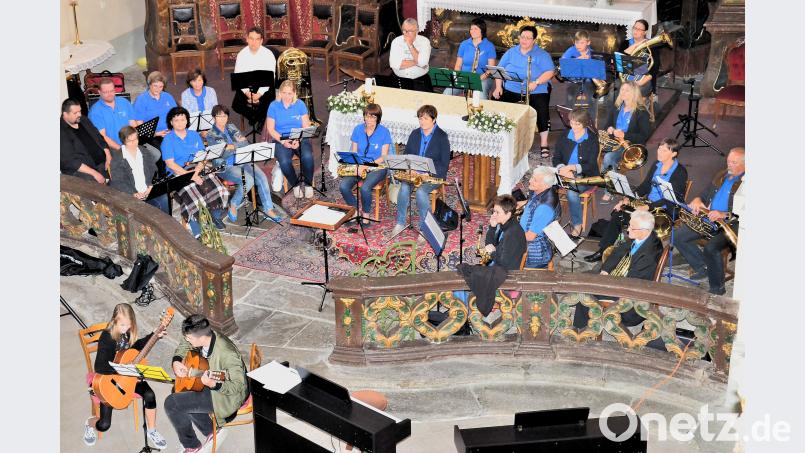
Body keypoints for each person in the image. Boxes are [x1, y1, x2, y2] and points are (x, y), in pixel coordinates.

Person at [585, 138, 688, 262]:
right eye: (659, 149)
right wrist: (627, 199)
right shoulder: (657, 165)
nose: (659, 152)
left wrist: (648, 207)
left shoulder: (680, 172)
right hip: (649, 204)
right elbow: (645, 186)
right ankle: (603, 251)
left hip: (666, 210)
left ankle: (635, 255)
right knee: (618, 213)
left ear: (674, 153)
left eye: (664, 150)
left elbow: (672, 199)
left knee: (638, 222)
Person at [82, 303, 168, 450]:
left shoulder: (127, 332)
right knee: (103, 425)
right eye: (122, 325)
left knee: (150, 395)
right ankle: (89, 423)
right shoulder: (107, 337)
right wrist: (122, 369)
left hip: (128, 375)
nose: (125, 329)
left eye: (128, 325)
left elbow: (134, 348)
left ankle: (152, 430)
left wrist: (153, 335)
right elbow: (100, 367)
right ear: (114, 320)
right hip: (109, 379)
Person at [166, 315, 248, 453]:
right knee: (179, 390)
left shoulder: (227, 353)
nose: (186, 340)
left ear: (201, 337)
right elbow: (184, 344)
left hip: (227, 397)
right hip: (208, 378)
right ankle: (211, 430)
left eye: (189, 338)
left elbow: (238, 386)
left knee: (172, 403)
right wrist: (176, 360)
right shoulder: (205, 335)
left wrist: (214, 384)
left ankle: (191, 445)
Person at [573, 210, 662, 329]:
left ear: (644, 230)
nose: (628, 229)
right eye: (629, 225)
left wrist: (606, 283)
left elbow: (631, 285)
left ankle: (582, 329)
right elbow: (618, 251)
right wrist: (606, 270)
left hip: (630, 305)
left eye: (632, 227)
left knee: (585, 291)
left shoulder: (649, 256)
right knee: (585, 277)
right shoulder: (644, 238)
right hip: (625, 282)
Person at [674, 147, 744, 295]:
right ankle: (703, 267)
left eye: (734, 162)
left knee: (711, 248)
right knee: (677, 236)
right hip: (709, 219)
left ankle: (717, 289)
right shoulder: (722, 175)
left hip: (730, 225)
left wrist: (723, 214)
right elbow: (704, 195)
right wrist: (698, 200)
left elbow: (744, 213)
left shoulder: (746, 184)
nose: (729, 165)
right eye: (728, 161)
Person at [206, 104, 284, 223]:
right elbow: (223, 153)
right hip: (226, 166)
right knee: (248, 180)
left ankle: (268, 209)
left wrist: (232, 146)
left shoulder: (231, 127)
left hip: (243, 158)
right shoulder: (211, 134)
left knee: (262, 177)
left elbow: (245, 144)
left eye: (225, 116)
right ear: (213, 118)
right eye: (219, 116)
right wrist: (235, 146)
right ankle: (234, 203)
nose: (222, 119)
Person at [161, 107, 228, 237]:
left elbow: (203, 156)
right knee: (192, 195)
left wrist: (197, 171)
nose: (180, 123)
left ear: (187, 121)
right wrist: (192, 176)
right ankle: (197, 230)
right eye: (176, 120)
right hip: (178, 172)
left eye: (183, 119)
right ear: (171, 122)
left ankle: (214, 216)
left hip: (196, 166)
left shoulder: (194, 135)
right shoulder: (168, 140)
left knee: (219, 187)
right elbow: (170, 164)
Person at [492, 25, 555, 158]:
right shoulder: (511, 52)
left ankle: (544, 143)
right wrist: (498, 87)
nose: (524, 40)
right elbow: (498, 70)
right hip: (512, 88)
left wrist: (536, 82)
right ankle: (498, 137)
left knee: (542, 109)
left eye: (528, 38)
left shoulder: (542, 54)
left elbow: (550, 72)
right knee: (496, 101)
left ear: (534, 40)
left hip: (536, 89)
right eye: (522, 37)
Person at [390, 105, 451, 238]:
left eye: (425, 118)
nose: (422, 122)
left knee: (421, 192)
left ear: (434, 120)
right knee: (404, 188)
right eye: (420, 118)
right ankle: (400, 222)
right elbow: (407, 154)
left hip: (432, 176)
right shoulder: (415, 133)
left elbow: (444, 163)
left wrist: (427, 174)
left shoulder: (442, 137)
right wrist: (409, 169)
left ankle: (425, 228)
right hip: (414, 173)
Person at [339, 103, 393, 222]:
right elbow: (354, 151)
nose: (369, 120)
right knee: (343, 186)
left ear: (378, 118)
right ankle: (355, 210)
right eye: (367, 116)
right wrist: (356, 165)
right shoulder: (358, 129)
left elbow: (384, 156)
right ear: (364, 116)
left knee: (365, 188)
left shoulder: (384, 132)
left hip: (378, 167)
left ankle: (366, 214)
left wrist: (366, 166)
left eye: (373, 117)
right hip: (359, 165)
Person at [552, 108, 600, 238]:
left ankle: (577, 224)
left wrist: (572, 168)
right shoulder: (564, 135)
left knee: (572, 193)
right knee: (544, 182)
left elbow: (590, 165)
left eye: (577, 124)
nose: (574, 126)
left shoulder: (592, 139)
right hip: (564, 172)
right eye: (572, 122)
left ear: (584, 123)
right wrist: (562, 169)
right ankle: (551, 219)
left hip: (586, 176)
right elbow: (556, 157)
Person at [599, 80, 651, 198]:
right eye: (622, 89)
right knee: (592, 147)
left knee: (608, 157)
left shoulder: (641, 112)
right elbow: (606, 125)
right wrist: (610, 129)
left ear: (634, 93)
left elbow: (644, 136)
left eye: (627, 90)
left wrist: (625, 135)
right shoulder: (616, 107)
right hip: (614, 142)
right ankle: (598, 178)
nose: (623, 92)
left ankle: (610, 190)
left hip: (630, 145)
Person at [266, 79, 314, 198]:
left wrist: (298, 140)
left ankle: (308, 184)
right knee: (285, 162)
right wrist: (283, 141)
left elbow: (306, 126)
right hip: (280, 138)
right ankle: (296, 185)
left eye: (290, 93)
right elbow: (271, 129)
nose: (287, 96)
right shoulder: (273, 106)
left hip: (298, 136)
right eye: (284, 93)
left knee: (307, 156)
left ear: (294, 93)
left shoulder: (300, 104)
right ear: (280, 93)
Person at [109, 126, 170, 214]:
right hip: (132, 195)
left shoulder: (143, 150)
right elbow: (118, 181)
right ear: (124, 141)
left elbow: (152, 168)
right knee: (149, 211)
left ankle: (167, 225)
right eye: (130, 141)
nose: (134, 143)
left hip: (147, 190)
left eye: (136, 139)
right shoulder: (117, 158)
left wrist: (150, 186)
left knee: (164, 198)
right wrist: (133, 193)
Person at [232, 26, 277, 129]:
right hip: (246, 86)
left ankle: (260, 118)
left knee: (269, 99)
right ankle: (257, 117)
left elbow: (270, 78)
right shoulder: (241, 55)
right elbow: (238, 77)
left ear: (261, 41)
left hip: (264, 86)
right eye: (251, 38)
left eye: (257, 39)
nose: (254, 42)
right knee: (237, 103)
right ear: (247, 39)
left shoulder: (268, 55)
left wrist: (259, 95)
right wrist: (248, 94)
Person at [518, 166, 561, 269]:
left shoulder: (544, 208)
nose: (530, 181)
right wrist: (524, 203)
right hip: (529, 240)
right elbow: (535, 201)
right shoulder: (543, 191)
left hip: (534, 252)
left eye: (535, 180)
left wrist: (510, 235)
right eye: (532, 177)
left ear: (545, 185)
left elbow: (530, 237)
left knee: (497, 255)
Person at [443, 18, 496, 99]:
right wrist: (458, 77)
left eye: (475, 29)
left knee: (479, 95)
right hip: (464, 77)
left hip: (483, 78)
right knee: (447, 92)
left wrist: (479, 79)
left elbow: (491, 69)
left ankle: (480, 111)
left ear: (482, 30)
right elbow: (458, 65)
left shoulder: (489, 46)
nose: (472, 31)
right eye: (471, 29)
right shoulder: (464, 44)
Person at [61, 98, 111, 184]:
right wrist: (94, 173)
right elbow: (70, 161)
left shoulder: (83, 120)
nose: (79, 114)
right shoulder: (61, 131)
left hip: (102, 163)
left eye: (80, 111)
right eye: (75, 113)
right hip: (84, 171)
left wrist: (108, 155)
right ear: (65, 114)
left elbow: (99, 138)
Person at [88, 78, 139, 151]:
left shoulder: (124, 102)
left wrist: (136, 141)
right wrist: (121, 149)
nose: (110, 94)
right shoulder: (95, 112)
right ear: (99, 92)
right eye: (106, 92)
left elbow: (133, 124)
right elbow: (102, 136)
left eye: (112, 91)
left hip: (130, 142)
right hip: (112, 148)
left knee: (155, 154)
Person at [483, 195, 527, 271]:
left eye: (497, 212)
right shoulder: (507, 224)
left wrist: (492, 253)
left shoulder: (511, 234)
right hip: (499, 261)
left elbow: (504, 264)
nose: (493, 215)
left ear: (508, 214)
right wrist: (492, 228)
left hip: (506, 273)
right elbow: (490, 245)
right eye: (493, 211)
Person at [561, 30, 597, 123]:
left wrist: (590, 62)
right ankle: (569, 124)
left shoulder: (592, 53)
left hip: (588, 81)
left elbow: (596, 70)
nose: (579, 45)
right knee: (569, 102)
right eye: (577, 42)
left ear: (588, 42)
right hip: (573, 80)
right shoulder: (571, 50)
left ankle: (591, 123)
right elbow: (563, 63)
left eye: (582, 43)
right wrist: (578, 60)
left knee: (592, 102)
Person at [621, 19, 659, 98]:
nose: (635, 31)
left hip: (644, 80)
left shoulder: (652, 46)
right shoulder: (625, 43)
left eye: (639, 29)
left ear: (645, 32)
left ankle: (631, 110)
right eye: (634, 28)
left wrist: (641, 82)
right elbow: (620, 60)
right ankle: (619, 110)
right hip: (626, 78)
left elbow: (655, 68)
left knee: (633, 93)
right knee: (613, 91)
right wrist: (635, 45)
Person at [133, 71, 177, 139]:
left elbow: (176, 115)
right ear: (149, 85)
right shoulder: (141, 100)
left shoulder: (168, 96)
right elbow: (139, 125)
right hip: (153, 135)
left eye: (161, 87)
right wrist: (156, 134)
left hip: (171, 131)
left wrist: (174, 129)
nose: (158, 89)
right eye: (155, 86)